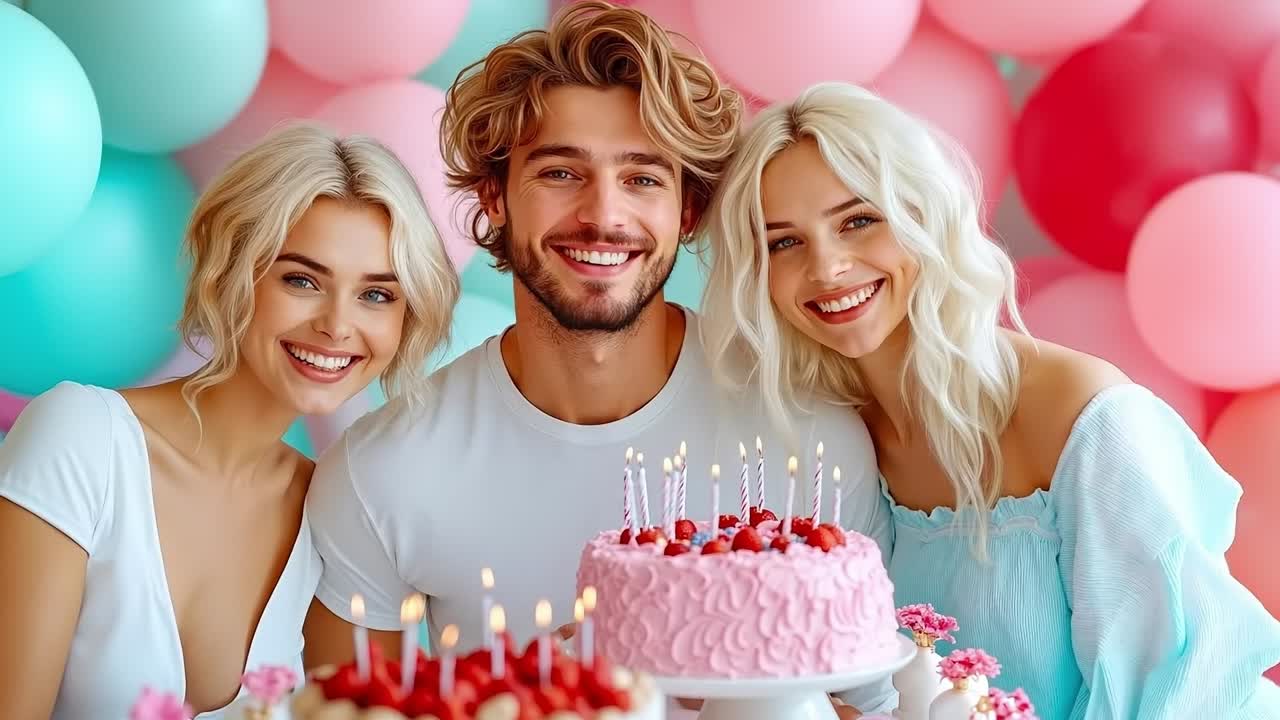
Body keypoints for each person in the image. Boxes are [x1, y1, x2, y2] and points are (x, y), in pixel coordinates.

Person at [301, 2, 895, 712]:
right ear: (494, 196)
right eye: (559, 172)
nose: (604, 214)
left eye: (643, 178)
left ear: (686, 210)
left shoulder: (811, 434)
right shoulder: (384, 471)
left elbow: (875, 703)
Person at [700, 80, 1280, 718]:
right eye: (785, 242)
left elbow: (1185, 694)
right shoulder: (831, 440)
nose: (827, 266)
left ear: (924, 216)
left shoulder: (1081, 416)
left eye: (859, 220)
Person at [0, 122, 460, 720]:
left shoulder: (336, 514)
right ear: (231, 274)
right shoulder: (81, 439)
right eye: (302, 280)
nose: (338, 325)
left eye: (377, 295)